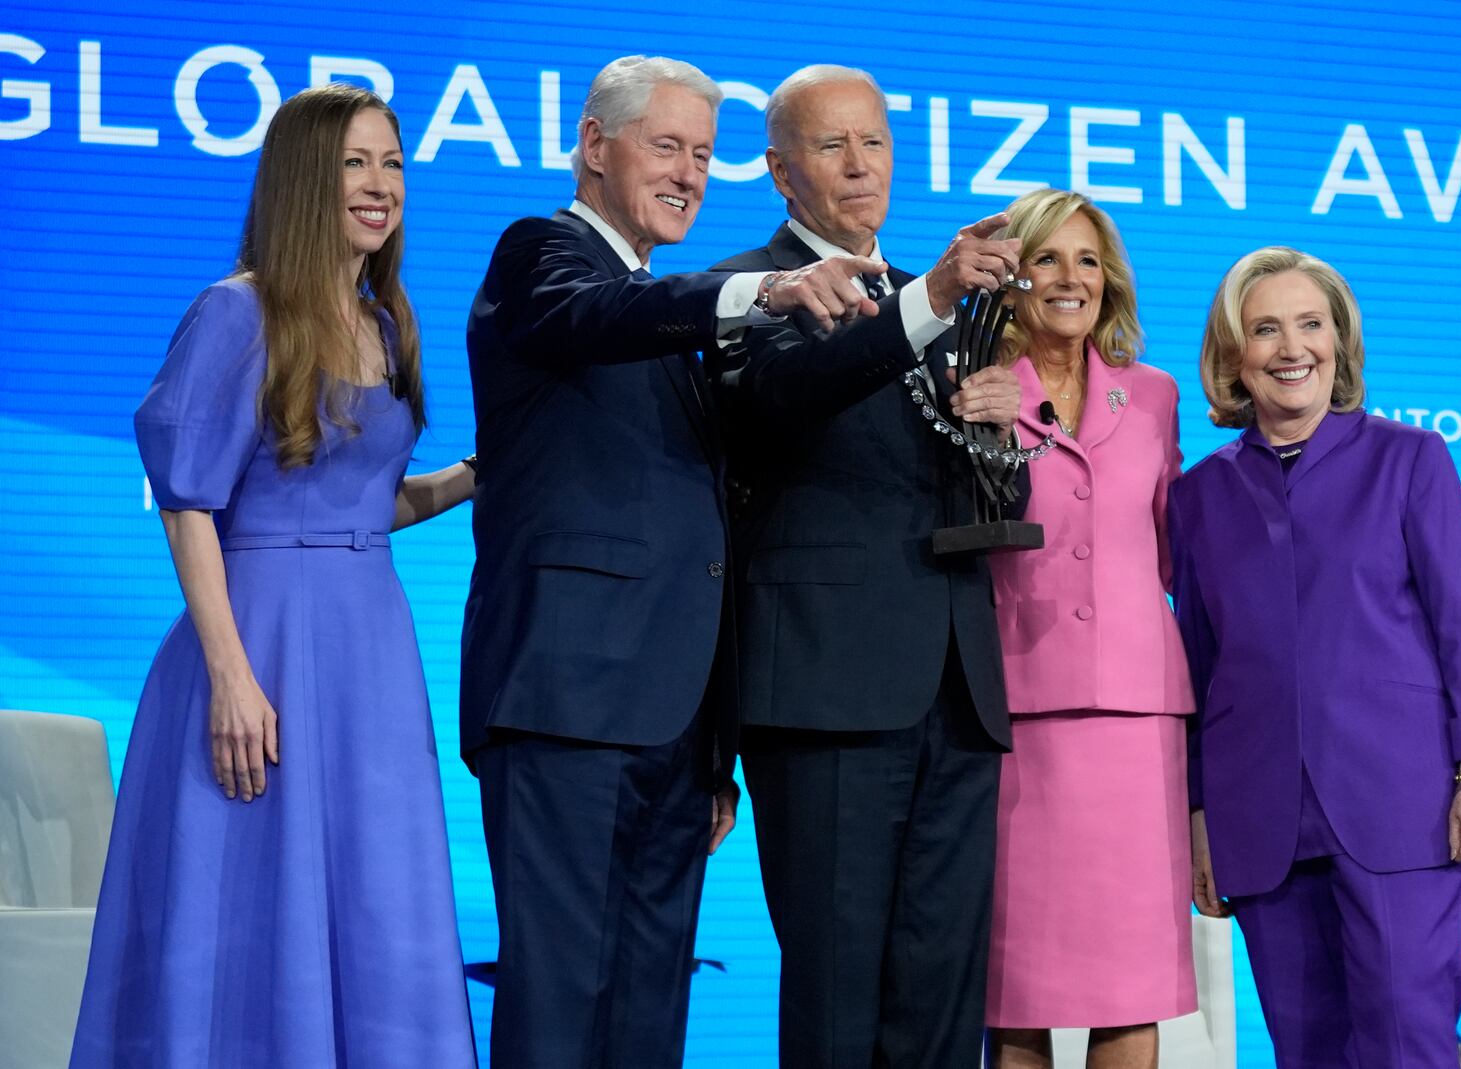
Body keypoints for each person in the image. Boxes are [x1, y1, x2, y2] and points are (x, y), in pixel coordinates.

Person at [459, 55, 886, 1068]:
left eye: (702, 154)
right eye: (667, 147)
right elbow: (592, 317)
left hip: (675, 721)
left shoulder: (668, 311)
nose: (690, 173)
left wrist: (715, 745)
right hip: (564, 701)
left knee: (650, 1016)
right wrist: (765, 286)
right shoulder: (543, 256)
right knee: (557, 1005)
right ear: (594, 148)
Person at [71, 83, 477, 1067]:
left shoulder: (385, 325)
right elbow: (190, 501)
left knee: (376, 892)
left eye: (392, 164)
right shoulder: (236, 312)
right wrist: (230, 674)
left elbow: (357, 503)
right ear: (304, 178)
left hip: (368, 653)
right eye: (355, 164)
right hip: (259, 648)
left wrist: (475, 478)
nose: (381, 187)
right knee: (246, 909)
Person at [707, 64, 1025, 1068]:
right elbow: (786, 396)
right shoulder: (750, 290)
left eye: (875, 142)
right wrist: (928, 298)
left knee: (943, 994)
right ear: (780, 171)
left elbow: (990, 500)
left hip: (958, 691)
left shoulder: (934, 312)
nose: (860, 166)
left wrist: (1001, 440)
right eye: (832, 145)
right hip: (824, 695)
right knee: (838, 996)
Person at [1169, 246, 1461, 1067]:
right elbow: (1192, 666)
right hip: (1259, 819)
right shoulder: (1198, 496)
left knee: (1408, 1043)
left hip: (1403, 807)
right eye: (1265, 328)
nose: (1292, 347)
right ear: (1234, 356)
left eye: (1311, 324)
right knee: (1308, 1053)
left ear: (1340, 344)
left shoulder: (1410, 459)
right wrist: (1196, 811)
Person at [982, 188, 1196, 1069]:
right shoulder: (976, 387)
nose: (1070, 279)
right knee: (1017, 996)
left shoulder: (1153, 395)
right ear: (1011, 274)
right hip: (1014, 720)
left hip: (1138, 728)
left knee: (1128, 989)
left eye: (1089, 261)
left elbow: (1172, 548)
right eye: (1048, 258)